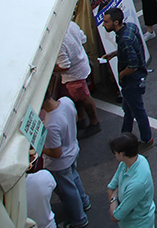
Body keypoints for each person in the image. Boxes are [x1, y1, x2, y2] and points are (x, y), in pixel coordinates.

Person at [101, 7, 153, 150]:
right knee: (128, 109)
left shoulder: (124, 39)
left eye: (106, 22)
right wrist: (114, 54)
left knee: (137, 111)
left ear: (116, 22)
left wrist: (121, 74)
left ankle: (147, 139)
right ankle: (125, 136)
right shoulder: (130, 27)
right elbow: (132, 50)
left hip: (132, 82)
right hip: (135, 79)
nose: (104, 25)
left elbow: (133, 65)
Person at [41, 90, 91, 228]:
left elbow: (56, 153)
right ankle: (84, 201)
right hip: (73, 150)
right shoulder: (66, 101)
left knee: (67, 192)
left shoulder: (50, 124)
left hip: (60, 163)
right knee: (74, 178)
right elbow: (74, 119)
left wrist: (40, 148)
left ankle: (79, 219)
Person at [54, 19, 99, 135]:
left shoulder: (59, 43)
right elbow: (83, 38)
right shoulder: (71, 24)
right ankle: (81, 118)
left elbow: (65, 66)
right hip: (82, 64)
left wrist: (51, 68)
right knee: (78, 97)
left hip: (74, 74)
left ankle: (94, 123)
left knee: (84, 97)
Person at [106, 133, 155, 228]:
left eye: (114, 153)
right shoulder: (133, 161)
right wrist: (114, 193)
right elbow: (111, 187)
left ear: (122, 154)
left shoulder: (137, 184)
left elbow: (115, 217)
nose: (114, 155)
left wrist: (113, 198)